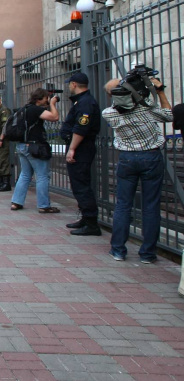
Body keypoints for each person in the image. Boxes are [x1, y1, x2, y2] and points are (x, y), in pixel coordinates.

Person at [103, 76, 172, 263]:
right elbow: (169, 115)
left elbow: (117, 100)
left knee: (123, 205)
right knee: (151, 206)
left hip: (127, 158)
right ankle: (148, 254)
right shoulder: (147, 109)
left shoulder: (109, 113)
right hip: (151, 157)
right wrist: (159, 91)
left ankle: (118, 250)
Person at [61, 72, 103, 236]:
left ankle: (91, 223)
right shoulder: (82, 101)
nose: (68, 87)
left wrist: (72, 148)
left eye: (69, 84)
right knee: (79, 184)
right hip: (80, 147)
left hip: (81, 148)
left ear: (73, 84)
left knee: (81, 185)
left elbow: (81, 128)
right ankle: (86, 218)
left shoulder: (85, 103)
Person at [9, 89, 60, 212]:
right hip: (34, 147)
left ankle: (16, 202)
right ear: (39, 99)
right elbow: (54, 117)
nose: (47, 100)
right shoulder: (36, 109)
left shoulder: (24, 109)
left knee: (25, 174)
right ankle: (44, 205)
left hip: (22, 146)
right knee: (42, 176)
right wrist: (52, 104)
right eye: (46, 98)